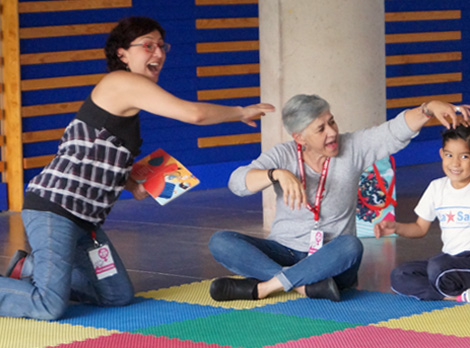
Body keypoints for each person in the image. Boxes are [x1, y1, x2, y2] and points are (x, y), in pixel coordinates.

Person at [0, 17, 275, 320]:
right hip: (55, 208)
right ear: (122, 54)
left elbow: (98, 155)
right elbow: (193, 114)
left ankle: (30, 268)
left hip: (86, 221)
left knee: (117, 295)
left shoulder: (128, 102)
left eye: (161, 46)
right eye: (147, 45)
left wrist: (132, 184)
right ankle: (40, 282)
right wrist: (240, 112)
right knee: (48, 306)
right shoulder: (122, 82)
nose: (158, 53)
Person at [207, 94, 470, 302]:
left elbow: (393, 131)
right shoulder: (283, 155)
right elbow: (237, 183)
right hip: (284, 250)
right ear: (299, 138)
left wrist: (428, 108)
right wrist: (277, 174)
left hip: (332, 259)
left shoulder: (353, 147)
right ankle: (303, 286)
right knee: (221, 241)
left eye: (331, 121)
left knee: (351, 245)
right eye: (320, 129)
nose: (332, 132)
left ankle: (265, 287)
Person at [375, 126, 470, 304]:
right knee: (399, 275)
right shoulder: (436, 187)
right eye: (449, 155)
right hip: (451, 261)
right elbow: (419, 228)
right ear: (442, 154)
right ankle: (461, 296)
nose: (455, 163)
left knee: (438, 268)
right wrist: (396, 227)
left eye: (464, 156)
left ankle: (451, 289)